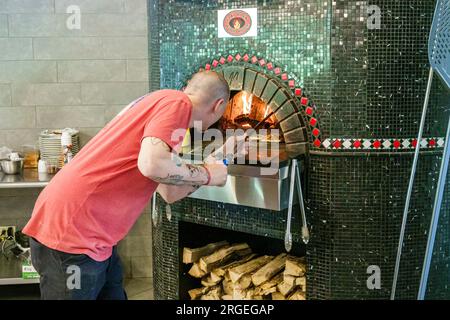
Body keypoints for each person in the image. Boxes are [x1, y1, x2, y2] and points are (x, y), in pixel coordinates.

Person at [23, 71, 244, 300]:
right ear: (219, 106)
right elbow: (151, 165)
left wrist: (218, 158)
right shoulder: (176, 103)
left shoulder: (162, 111)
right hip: (71, 236)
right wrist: (208, 174)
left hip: (97, 240)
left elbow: (170, 191)